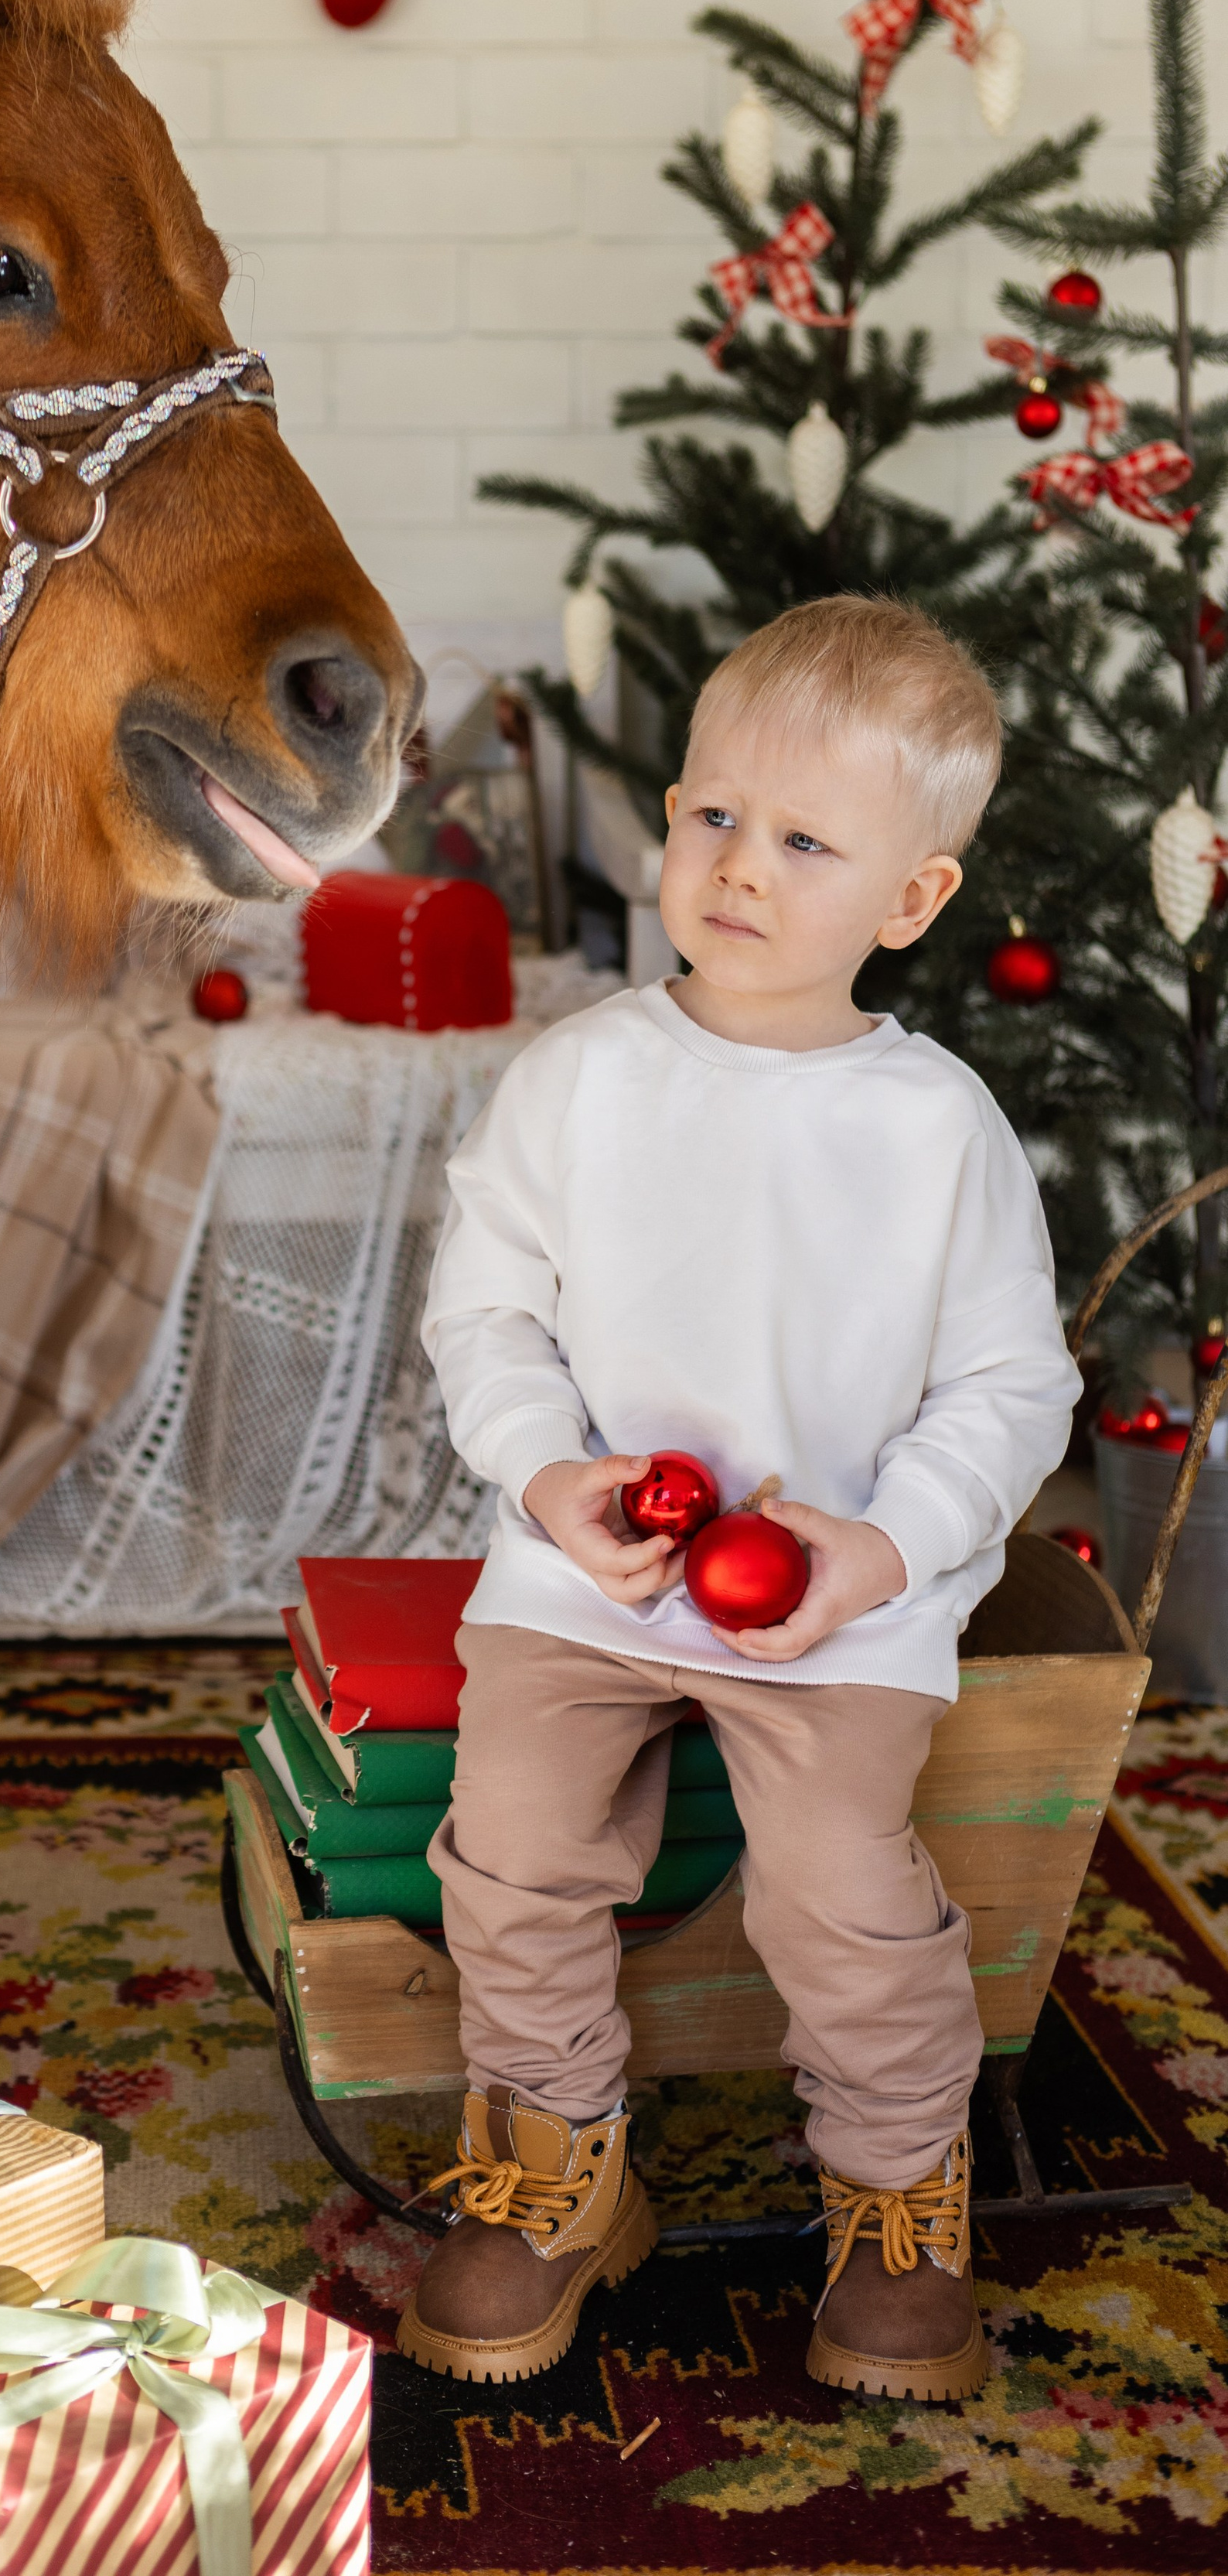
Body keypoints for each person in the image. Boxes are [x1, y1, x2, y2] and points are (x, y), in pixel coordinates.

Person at [399, 596, 1079, 2400]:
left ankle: (890, 2187)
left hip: (835, 1604)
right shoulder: (578, 1077)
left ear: (908, 901)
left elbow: (1012, 1387)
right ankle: (554, 2159)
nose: (736, 868)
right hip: (583, 1581)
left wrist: (884, 1541)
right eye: (711, 816)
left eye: (801, 841)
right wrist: (549, 1480)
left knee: (841, 1890)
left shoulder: (934, 1128)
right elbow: (484, 1312)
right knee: (512, 1844)